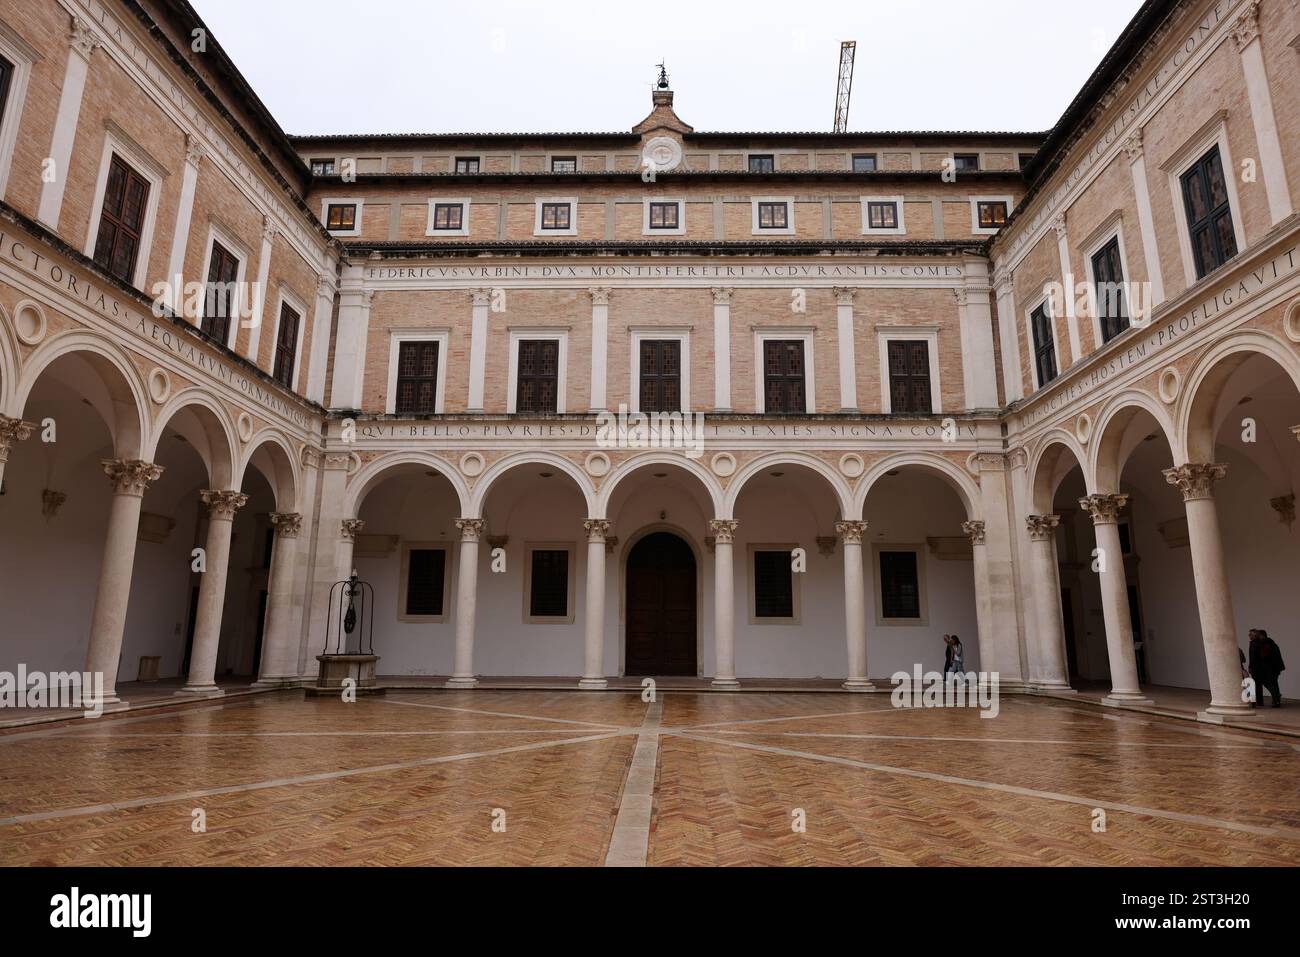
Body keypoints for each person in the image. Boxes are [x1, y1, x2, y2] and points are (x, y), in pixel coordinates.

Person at [1248, 629, 1286, 708]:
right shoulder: (1271, 643)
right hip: (1273, 668)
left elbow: (1256, 657)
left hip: (1264, 668)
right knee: (1272, 683)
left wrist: (1252, 666)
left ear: (1260, 635)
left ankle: (1272, 699)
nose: (1249, 636)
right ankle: (1275, 699)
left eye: (1251, 634)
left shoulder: (1260, 644)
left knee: (1265, 683)